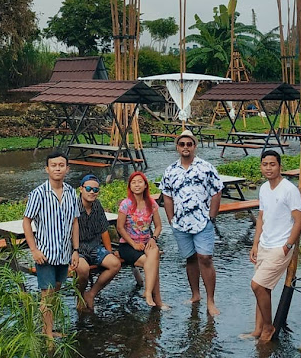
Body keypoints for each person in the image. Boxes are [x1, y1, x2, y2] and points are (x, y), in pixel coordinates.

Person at [160, 130, 223, 316]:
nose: (185, 147)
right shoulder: (170, 170)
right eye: (182, 144)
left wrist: (212, 216)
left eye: (189, 144)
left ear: (194, 146)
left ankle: (211, 300)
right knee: (190, 258)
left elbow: (217, 191)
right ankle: (196, 295)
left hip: (203, 221)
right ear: (177, 147)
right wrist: (171, 219)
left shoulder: (206, 167)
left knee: (205, 258)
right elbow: (167, 195)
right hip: (180, 223)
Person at [248, 149, 301, 342]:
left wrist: (288, 245)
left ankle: (268, 327)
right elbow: (261, 217)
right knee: (263, 288)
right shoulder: (264, 188)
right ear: (260, 166)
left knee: (257, 285)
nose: (268, 168)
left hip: (280, 246)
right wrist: (255, 243)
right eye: (265, 164)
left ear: (280, 166)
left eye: (272, 164)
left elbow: (299, 220)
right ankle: (257, 329)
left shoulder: (289, 189)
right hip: (265, 244)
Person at [23, 150, 80, 340]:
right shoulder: (38, 193)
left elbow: (74, 222)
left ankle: (47, 329)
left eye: (61, 165)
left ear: (67, 169)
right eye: (54, 165)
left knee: (55, 293)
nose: (58, 168)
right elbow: (26, 221)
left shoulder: (72, 192)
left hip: (64, 253)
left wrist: (76, 250)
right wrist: (34, 250)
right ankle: (48, 337)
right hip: (45, 254)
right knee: (47, 296)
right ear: (47, 169)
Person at [117, 171, 168, 309]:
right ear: (130, 186)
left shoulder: (151, 204)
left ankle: (150, 294)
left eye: (140, 182)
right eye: (133, 182)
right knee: (152, 263)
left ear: (145, 185)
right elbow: (120, 228)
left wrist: (153, 238)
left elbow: (158, 226)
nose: (137, 185)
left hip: (146, 243)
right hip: (128, 245)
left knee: (154, 254)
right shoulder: (126, 204)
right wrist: (133, 244)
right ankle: (153, 297)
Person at [75, 174, 122, 311]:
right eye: (88, 188)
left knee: (115, 264)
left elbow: (104, 230)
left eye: (95, 190)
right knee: (83, 270)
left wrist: (109, 252)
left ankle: (91, 293)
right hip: (77, 248)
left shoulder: (97, 206)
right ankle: (80, 296)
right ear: (81, 189)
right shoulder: (73, 207)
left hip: (94, 246)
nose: (91, 192)